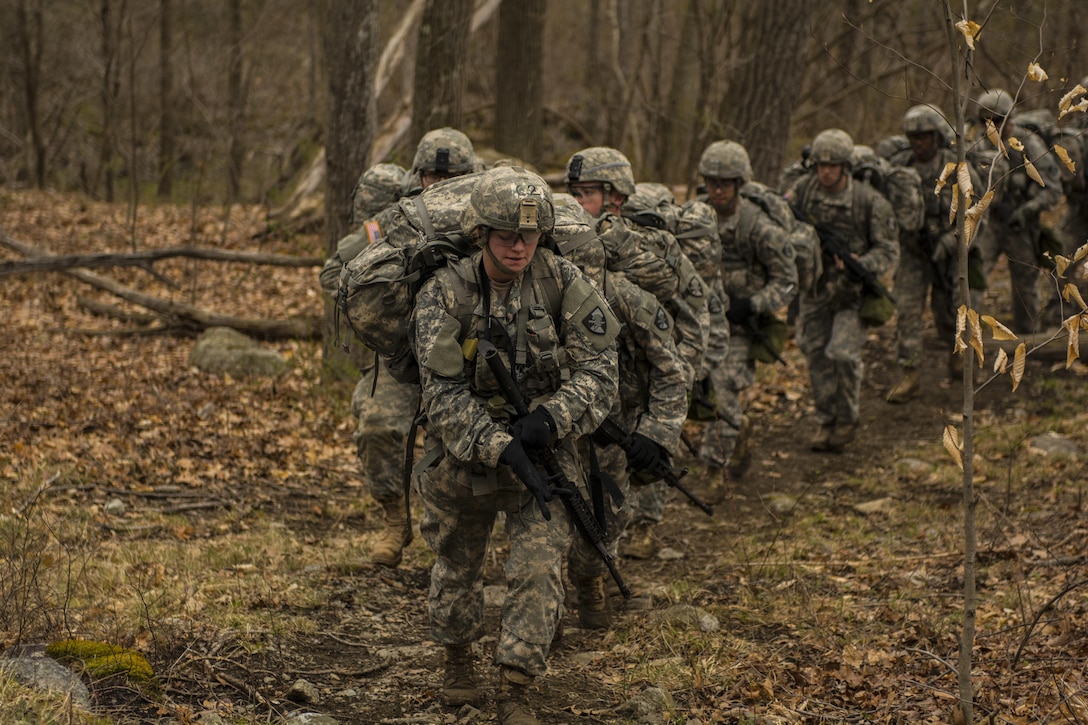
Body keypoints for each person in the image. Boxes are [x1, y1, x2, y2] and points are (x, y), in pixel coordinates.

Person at [411, 167, 619, 723]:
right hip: (466, 452)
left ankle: (516, 682)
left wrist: (553, 417)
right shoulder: (445, 292)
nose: (519, 246)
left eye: (528, 235)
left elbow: (602, 368)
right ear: (481, 234)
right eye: (506, 235)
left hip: (547, 445)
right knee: (457, 560)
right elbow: (442, 395)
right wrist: (500, 445)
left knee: (540, 562)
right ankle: (457, 658)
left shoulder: (563, 280)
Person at [325, 128, 480, 569]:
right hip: (405, 355)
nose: (443, 183)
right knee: (376, 424)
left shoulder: (492, 213)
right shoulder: (396, 219)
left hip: (472, 353)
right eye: (434, 174)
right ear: (419, 176)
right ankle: (395, 520)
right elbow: (336, 273)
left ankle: (460, 533)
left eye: (456, 174)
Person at [565, 147, 709, 558]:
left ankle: (595, 573)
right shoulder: (551, 240)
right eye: (572, 192)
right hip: (562, 395)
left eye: (586, 193)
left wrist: (660, 428)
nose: (576, 202)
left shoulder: (650, 247)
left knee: (607, 502)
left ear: (616, 197)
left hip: (625, 398)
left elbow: (690, 316)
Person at [553, 193, 688, 623]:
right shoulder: (525, 298)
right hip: (547, 428)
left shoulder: (626, 297)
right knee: (545, 518)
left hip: (612, 426)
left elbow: (672, 370)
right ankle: (545, 604)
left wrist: (656, 434)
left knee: (607, 516)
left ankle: (589, 576)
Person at [786, 128, 899, 452]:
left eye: (833, 165)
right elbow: (784, 219)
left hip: (853, 293)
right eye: (821, 164)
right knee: (816, 354)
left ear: (846, 166)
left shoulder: (868, 202)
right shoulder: (803, 192)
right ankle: (826, 421)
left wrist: (859, 262)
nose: (826, 171)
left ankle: (847, 419)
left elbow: (889, 250)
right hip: (816, 290)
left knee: (843, 353)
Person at [697, 140, 797, 481]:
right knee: (700, 393)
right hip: (697, 325)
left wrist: (752, 304)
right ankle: (737, 429)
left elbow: (787, 282)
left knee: (723, 390)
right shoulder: (693, 217)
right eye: (711, 181)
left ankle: (714, 471)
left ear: (741, 183)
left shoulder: (758, 227)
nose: (717, 189)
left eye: (725, 182)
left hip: (740, 329)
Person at [884, 104, 982, 401]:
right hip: (913, 252)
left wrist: (950, 242)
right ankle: (910, 374)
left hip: (952, 254)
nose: (919, 143)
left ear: (937, 137)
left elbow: (976, 213)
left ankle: (960, 361)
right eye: (914, 137)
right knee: (908, 313)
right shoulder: (898, 167)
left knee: (951, 313)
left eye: (925, 136)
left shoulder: (957, 167)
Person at [971, 89, 1062, 335]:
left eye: (998, 121)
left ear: (1010, 118)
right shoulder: (977, 146)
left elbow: (1053, 190)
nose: (993, 127)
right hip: (989, 223)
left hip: (1020, 225)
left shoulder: (1028, 144)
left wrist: (1028, 209)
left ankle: (1029, 340)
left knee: (1025, 284)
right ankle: (968, 336)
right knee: (973, 275)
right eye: (986, 122)